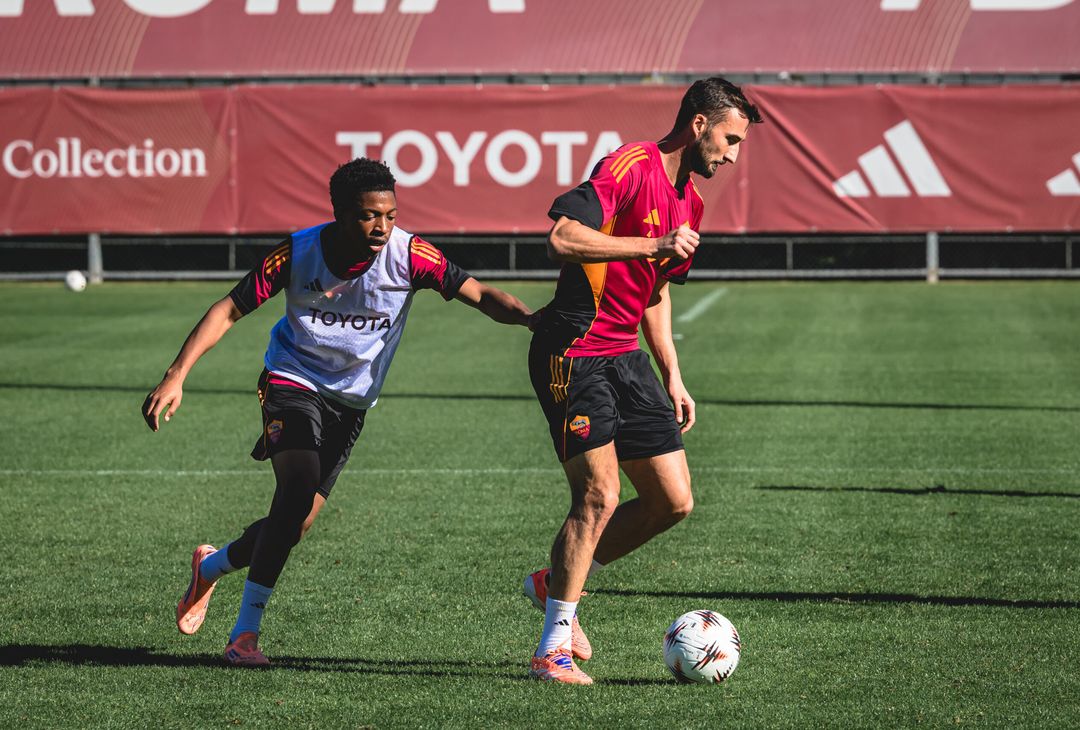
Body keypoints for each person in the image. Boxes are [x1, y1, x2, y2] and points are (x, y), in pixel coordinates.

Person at [143, 158, 534, 667]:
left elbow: (479, 294)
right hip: (291, 380)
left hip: (350, 404)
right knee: (296, 488)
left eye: (391, 215)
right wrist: (177, 373)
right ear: (340, 213)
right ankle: (245, 637)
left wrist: (532, 319)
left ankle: (213, 567)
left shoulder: (412, 254)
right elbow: (228, 309)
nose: (383, 227)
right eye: (371, 216)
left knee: (295, 523)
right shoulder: (298, 251)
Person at [523, 78, 763, 684]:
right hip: (574, 347)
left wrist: (674, 376)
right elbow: (561, 238)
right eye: (730, 139)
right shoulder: (631, 164)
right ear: (700, 124)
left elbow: (654, 293)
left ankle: (558, 581)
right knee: (598, 495)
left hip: (624, 354)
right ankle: (551, 649)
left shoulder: (693, 205)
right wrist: (654, 240)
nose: (733, 155)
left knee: (672, 501)